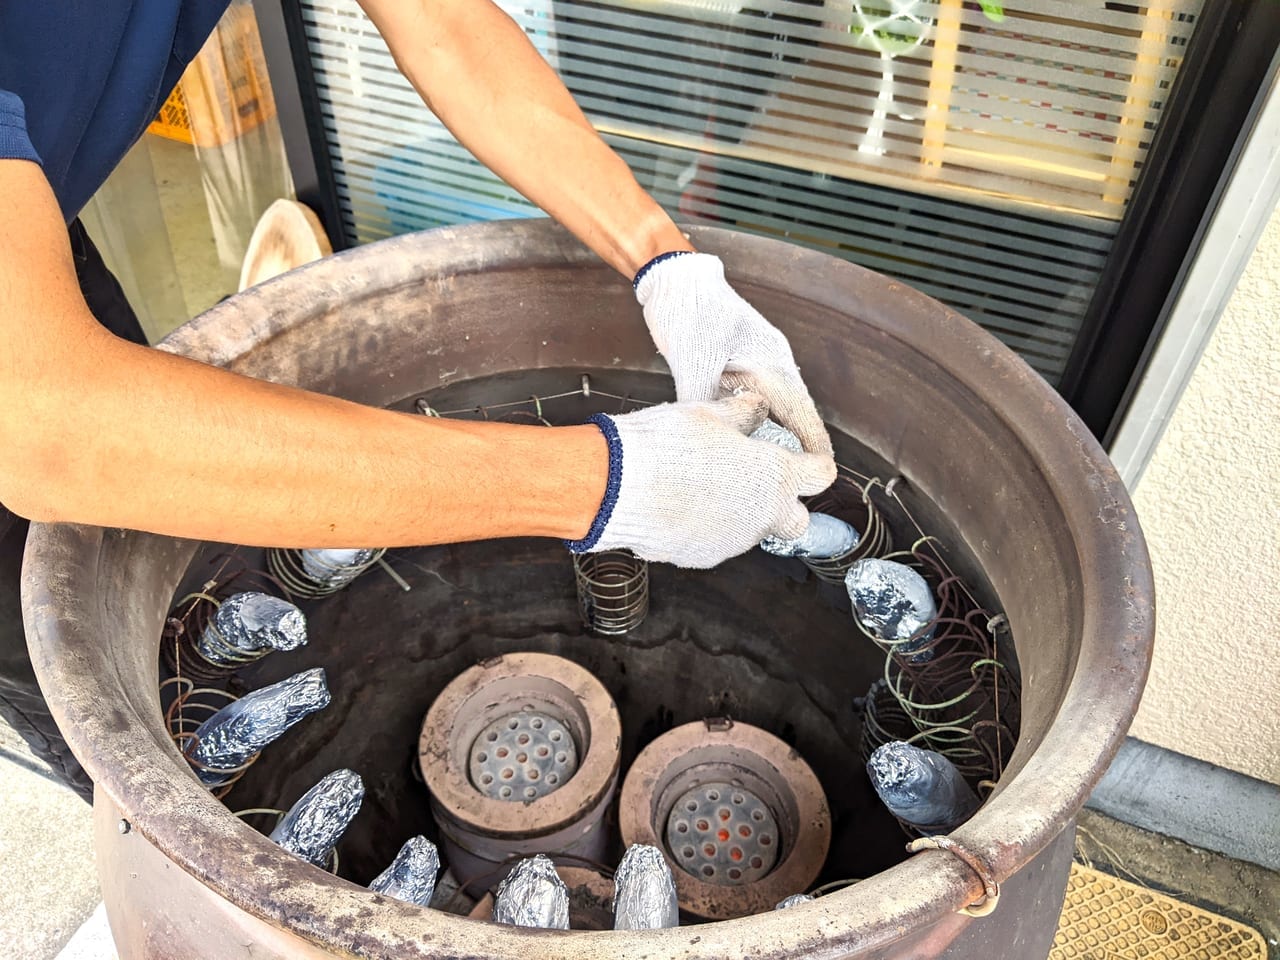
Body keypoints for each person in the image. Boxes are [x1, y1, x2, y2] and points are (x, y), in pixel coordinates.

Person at [0, 0, 836, 799]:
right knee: (79, 646)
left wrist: (668, 268)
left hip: (28, 221)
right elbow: (47, 420)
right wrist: (610, 482)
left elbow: (444, 24)